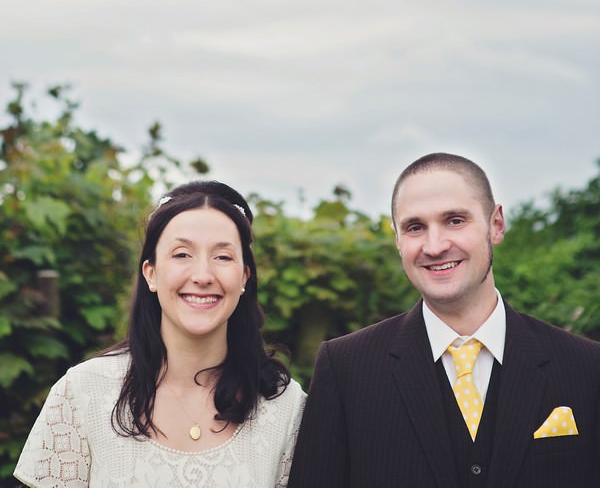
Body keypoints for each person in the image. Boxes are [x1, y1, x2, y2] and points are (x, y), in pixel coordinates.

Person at [288, 152, 600, 488]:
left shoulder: (587, 366)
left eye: (455, 220)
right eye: (415, 227)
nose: (434, 246)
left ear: (496, 225)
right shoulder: (346, 368)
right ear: (397, 240)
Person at [15, 180, 305, 487]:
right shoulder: (83, 393)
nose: (203, 276)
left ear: (244, 276)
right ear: (150, 273)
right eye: (182, 254)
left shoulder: (285, 407)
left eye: (223, 256)